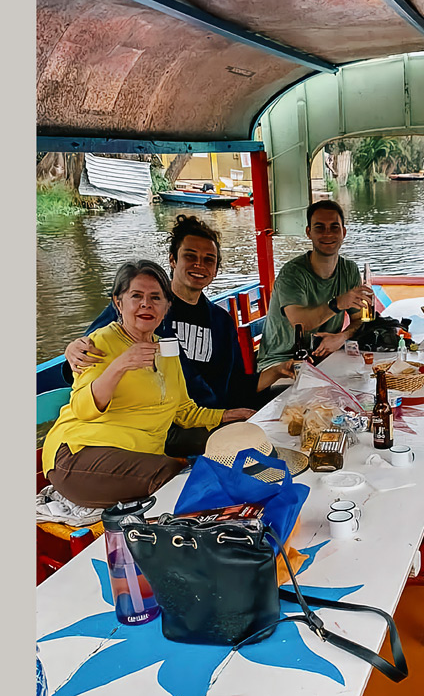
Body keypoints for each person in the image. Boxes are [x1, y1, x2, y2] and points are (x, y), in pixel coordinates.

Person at [42, 261, 253, 508]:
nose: (146, 304)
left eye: (156, 297)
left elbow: (184, 411)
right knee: (173, 472)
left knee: (236, 437)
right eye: (136, 296)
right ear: (118, 303)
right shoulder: (99, 343)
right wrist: (120, 366)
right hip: (78, 455)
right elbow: (81, 409)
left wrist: (230, 415)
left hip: (139, 455)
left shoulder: (167, 349)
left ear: (166, 307)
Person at [64, 215, 296, 417]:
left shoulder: (220, 321)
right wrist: (73, 350)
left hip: (217, 415)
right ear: (173, 260)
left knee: (296, 400)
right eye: (190, 256)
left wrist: (276, 371)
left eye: (208, 260)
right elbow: (84, 356)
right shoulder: (142, 310)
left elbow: (235, 387)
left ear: (216, 270)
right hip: (165, 420)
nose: (199, 265)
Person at [256, 199, 374, 369]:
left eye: (334, 227)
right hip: (281, 362)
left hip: (323, 359)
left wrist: (342, 337)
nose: (328, 234)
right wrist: (338, 303)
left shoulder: (349, 270)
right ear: (309, 232)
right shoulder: (293, 273)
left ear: (344, 232)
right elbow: (300, 325)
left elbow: (358, 320)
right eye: (319, 228)